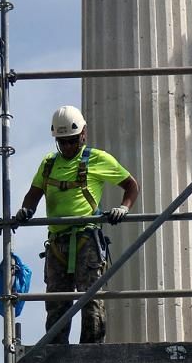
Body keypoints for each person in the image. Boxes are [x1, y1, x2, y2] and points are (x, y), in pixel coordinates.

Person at [12, 106, 139, 344]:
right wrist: (26, 210)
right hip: (57, 243)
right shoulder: (49, 163)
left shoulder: (98, 159)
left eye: (72, 141)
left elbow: (131, 185)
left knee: (91, 300)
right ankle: (56, 354)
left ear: (83, 134)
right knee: (57, 302)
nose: (68, 146)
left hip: (86, 239)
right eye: (63, 142)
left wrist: (124, 207)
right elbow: (34, 193)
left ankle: (90, 353)